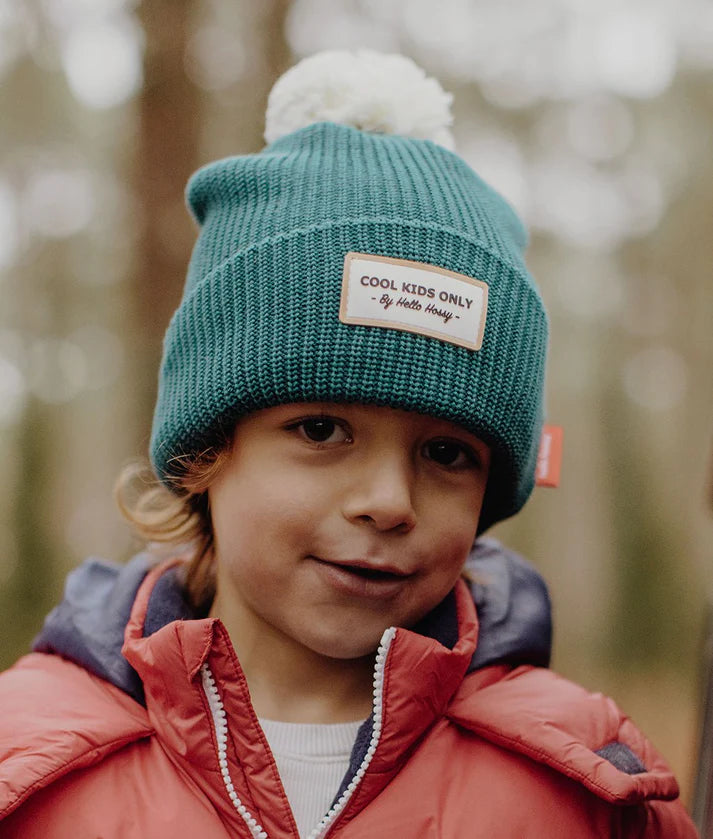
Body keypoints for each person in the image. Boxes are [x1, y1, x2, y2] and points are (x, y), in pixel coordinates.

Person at [0, 50, 698, 838]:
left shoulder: (592, 787)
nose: (388, 502)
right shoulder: (27, 768)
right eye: (322, 430)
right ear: (208, 450)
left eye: (446, 453)